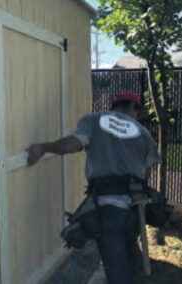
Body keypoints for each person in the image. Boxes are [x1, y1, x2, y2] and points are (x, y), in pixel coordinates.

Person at [26, 91, 161, 284]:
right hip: (135, 209)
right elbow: (148, 168)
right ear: (134, 108)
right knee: (125, 257)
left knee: (117, 267)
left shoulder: (94, 120)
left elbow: (72, 145)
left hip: (108, 207)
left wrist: (43, 148)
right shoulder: (143, 132)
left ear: (114, 106)